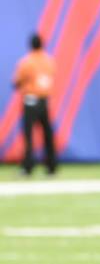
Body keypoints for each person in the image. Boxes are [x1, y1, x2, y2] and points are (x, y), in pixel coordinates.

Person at [13, 33, 57, 175]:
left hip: (31, 101)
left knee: (28, 135)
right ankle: (51, 166)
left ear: (31, 45)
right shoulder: (49, 61)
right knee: (47, 135)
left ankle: (28, 167)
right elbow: (50, 78)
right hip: (44, 101)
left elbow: (17, 82)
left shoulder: (27, 62)